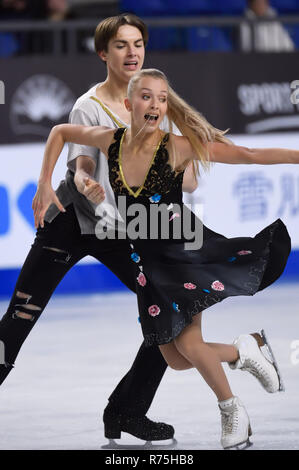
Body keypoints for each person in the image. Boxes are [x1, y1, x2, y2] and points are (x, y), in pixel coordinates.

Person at [34, 68, 297, 449]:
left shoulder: (176, 147)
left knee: (189, 345)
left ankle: (232, 413)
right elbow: (60, 132)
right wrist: (46, 181)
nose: (155, 103)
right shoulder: (111, 141)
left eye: (161, 98)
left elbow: (249, 154)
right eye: (146, 97)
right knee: (174, 358)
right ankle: (244, 349)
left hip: (184, 253)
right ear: (128, 105)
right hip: (146, 266)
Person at [0, 14, 200, 444]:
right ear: (103, 54)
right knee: (19, 318)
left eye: (138, 43)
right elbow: (82, 167)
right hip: (71, 223)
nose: (132, 52)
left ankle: (126, 411)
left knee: (173, 311)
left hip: (123, 230)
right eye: (122, 45)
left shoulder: (153, 99)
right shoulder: (87, 105)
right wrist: (91, 190)